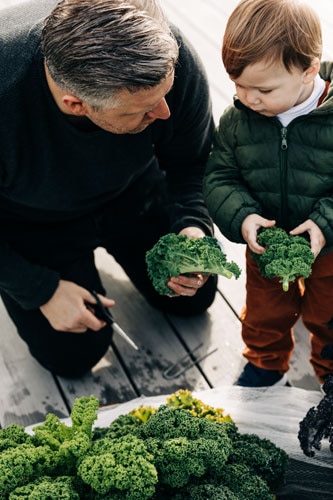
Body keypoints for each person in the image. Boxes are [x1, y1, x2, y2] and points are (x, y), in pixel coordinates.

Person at [0, 0, 217, 377]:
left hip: (133, 190)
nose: (164, 113)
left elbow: (194, 160)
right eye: (144, 110)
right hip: (30, 220)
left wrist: (193, 225)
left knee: (192, 300)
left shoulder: (164, 54)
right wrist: (41, 289)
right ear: (76, 104)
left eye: (165, 94)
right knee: (73, 355)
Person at [203, 0, 333, 387]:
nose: (247, 98)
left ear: (309, 71)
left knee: (328, 316)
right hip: (266, 246)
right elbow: (219, 177)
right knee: (264, 313)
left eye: (263, 89)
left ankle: (329, 374)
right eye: (238, 85)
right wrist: (242, 217)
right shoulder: (238, 121)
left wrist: (325, 224)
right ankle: (264, 364)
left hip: (330, 249)